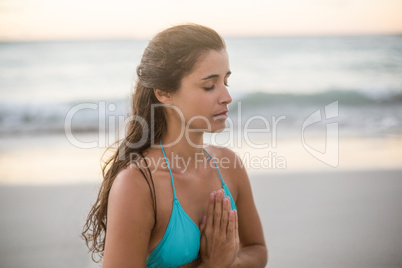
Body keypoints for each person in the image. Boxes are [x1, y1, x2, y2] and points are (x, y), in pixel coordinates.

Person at [82, 23, 267, 267]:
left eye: (226, 82)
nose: (227, 97)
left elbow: (257, 249)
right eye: (209, 86)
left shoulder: (229, 165)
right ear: (164, 92)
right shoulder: (137, 185)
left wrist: (228, 263)